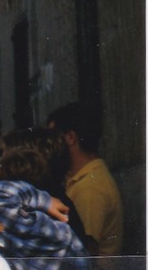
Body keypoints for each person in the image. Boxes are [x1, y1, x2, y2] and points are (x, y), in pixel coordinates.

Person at [46, 102, 123, 259]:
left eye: (52, 138)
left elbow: (84, 251)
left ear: (70, 138)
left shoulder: (89, 189)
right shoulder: (84, 179)